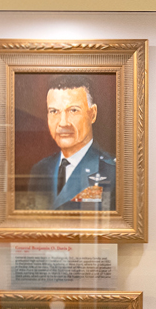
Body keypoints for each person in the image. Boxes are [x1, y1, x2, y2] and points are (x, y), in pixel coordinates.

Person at [20, 79, 116, 211]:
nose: (63, 123)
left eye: (73, 110)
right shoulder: (40, 169)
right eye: (54, 111)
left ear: (92, 114)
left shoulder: (113, 171)